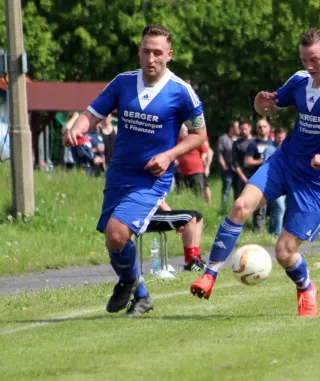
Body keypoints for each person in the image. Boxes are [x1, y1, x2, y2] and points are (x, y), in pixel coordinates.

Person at [190, 28, 320, 317]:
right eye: (304, 60)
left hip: (317, 181)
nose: (308, 66)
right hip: (285, 162)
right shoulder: (300, 80)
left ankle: (305, 287)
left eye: (314, 60)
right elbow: (268, 110)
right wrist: (261, 104)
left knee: (284, 252)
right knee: (240, 205)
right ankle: (209, 275)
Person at [63, 24, 207, 316]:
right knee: (113, 238)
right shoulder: (123, 82)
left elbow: (199, 135)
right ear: (139, 51)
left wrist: (168, 156)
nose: (151, 58)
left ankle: (127, 283)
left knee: (117, 233)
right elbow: (92, 115)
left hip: (151, 179)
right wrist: (76, 128)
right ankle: (140, 294)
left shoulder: (181, 91)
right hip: (119, 173)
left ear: (169, 55)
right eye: (146, 51)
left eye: (157, 52)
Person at [156, 200, 205, 271]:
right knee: (189, 217)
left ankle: (196, 258)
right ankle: (190, 261)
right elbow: (158, 201)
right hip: (147, 215)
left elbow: (161, 201)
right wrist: (175, 220)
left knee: (198, 216)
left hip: (156, 210)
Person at [244, 118, 275, 232]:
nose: (262, 129)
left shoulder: (273, 143)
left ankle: (272, 230)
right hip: (258, 178)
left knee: (274, 206)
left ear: (269, 128)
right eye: (259, 127)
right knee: (259, 206)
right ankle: (257, 230)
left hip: (273, 178)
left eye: (264, 126)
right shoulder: (253, 144)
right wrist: (263, 161)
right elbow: (247, 161)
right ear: (256, 129)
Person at [263, 127, 287, 235]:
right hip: (274, 183)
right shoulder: (269, 149)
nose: (281, 140)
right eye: (279, 137)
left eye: (283, 138)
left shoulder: (288, 149)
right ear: (275, 136)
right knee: (280, 208)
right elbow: (266, 166)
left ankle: (272, 231)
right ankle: (277, 233)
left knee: (277, 209)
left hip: (286, 183)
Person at [177, 125, 208, 197]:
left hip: (196, 170)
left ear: (186, 132)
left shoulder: (194, 139)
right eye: (180, 132)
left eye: (182, 132)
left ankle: (199, 206)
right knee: (188, 194)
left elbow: (205, 151)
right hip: (184, 172)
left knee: (198, 192)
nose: (180, 134)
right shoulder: (178, 141)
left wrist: (203, 159)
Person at [217, 120, 240, 209]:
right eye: (237, 127)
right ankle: (223, 209)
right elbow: (219, 153)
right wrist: (224, 166)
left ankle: (237, 209)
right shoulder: (223, 139)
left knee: (238, 191)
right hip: (227, 170)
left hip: (238, 170)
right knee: (226, 190)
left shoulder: (240, 139)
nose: (239, 129)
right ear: (231, 128)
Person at [232, 120, 254, 199]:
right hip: (242, 176)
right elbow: (235, 163)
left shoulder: (256, 142)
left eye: (245, 129)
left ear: (250, 128)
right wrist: (243, 178)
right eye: (242, 129)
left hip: (256, 175)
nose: (244, 131)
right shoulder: (236, 144)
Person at [202, 140, 214, 205]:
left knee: (205, 186)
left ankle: (209, 203)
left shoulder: (202, 137)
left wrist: (207, 167)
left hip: (202, 167)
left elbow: (209, 152)